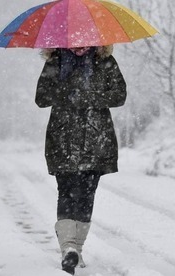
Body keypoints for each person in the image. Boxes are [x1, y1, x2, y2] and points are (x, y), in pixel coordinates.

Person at [35, 45, 126, 275]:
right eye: (75, 41)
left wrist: (88, 96)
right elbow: (41, 98)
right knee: (66, 191)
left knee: (86, 194)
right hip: (62, 139)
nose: (80, 45)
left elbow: (119, 95)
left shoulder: (105, 61)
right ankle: (68, 249)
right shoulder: (55, 62)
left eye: (85, 41)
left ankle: (77, 248)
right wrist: (67, 93)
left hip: (96, 140)